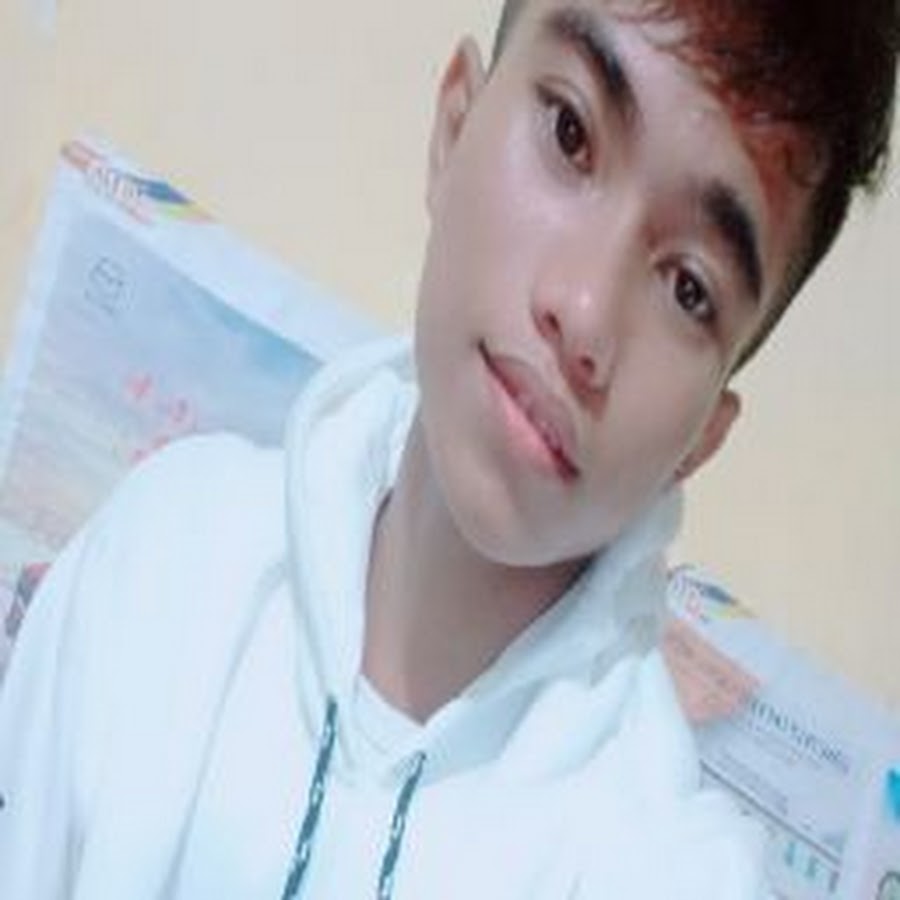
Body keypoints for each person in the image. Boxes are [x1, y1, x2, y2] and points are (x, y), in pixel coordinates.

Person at [0, 0, 897, 896]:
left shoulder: (676, 874)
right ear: (455, 124)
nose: (586, 313)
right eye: (572, 134)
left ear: (702, 437)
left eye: (689, 288)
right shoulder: (164, 561)